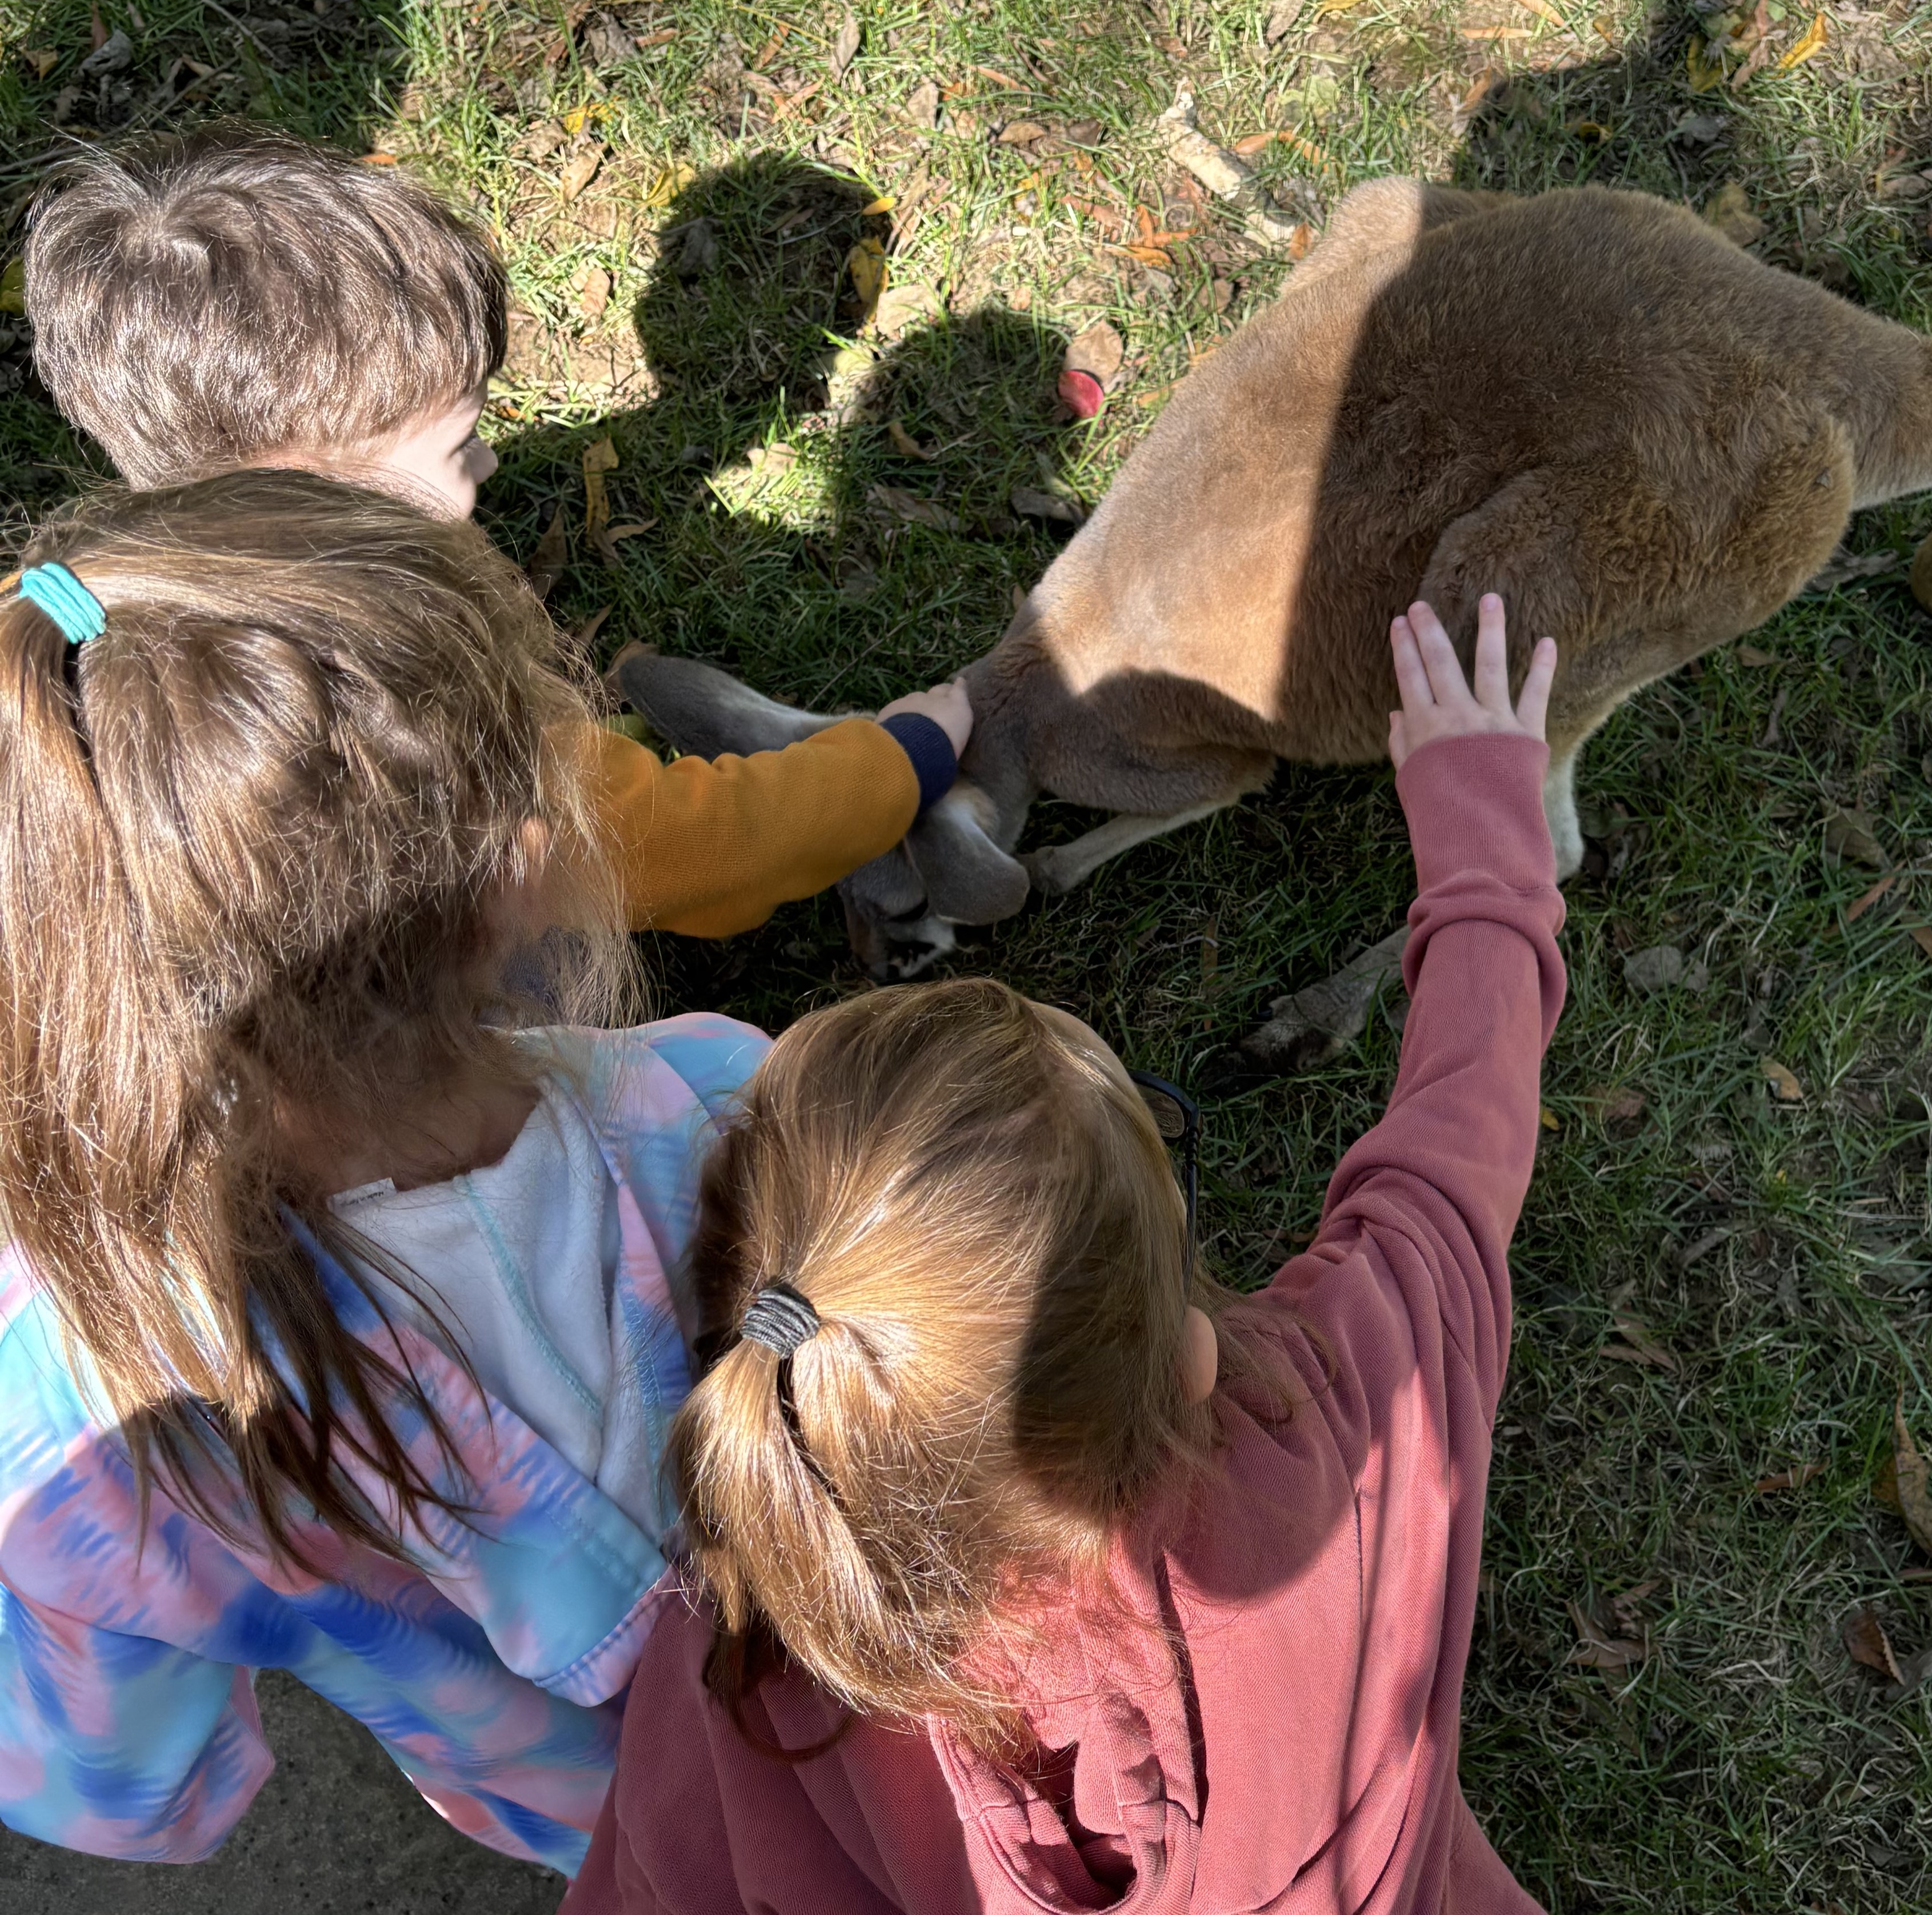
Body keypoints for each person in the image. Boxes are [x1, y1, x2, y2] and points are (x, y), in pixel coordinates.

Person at [563, 595, 1565, 1915]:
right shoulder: (1338, 1413)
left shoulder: (748, 1668)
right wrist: (1483, 834)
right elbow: (1456, 1144)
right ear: (1189, 1352)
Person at [0, 470, 775, 1872]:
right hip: (853, 1729)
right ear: (520, 870)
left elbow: (126, 1790)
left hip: (589, 1823)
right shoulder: (731, 1101)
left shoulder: (69, 1405)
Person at [22, 121, 970, 939]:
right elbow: (683, 847)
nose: (490, 466)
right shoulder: (412, 704)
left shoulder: (57, 619)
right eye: (462, 444)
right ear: (315, 490)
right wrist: (903, 758)